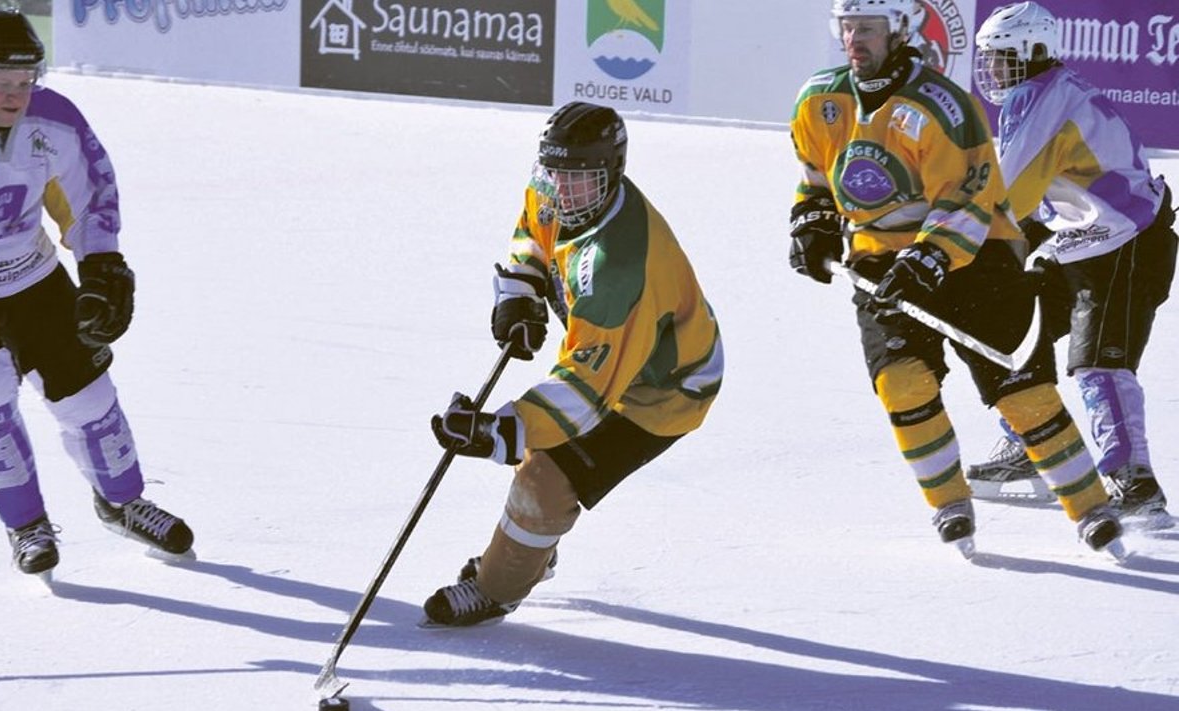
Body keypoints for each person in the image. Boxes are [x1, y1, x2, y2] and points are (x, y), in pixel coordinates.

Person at [788, 0, 1123, 557]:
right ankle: (949, 503)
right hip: (880, 263)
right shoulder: (819, 100)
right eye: (847, 28)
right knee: (902, 383)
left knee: (1023, 393)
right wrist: (813, 222)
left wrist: (928, 258)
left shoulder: (943, 104)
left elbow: (969, 197)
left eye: (867, 29)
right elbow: (816, 177)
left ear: (899, 30)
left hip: (977, 257)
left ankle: (1091, 509)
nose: (854, 40)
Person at [423, 101, 723, 626]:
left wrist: (495, 432)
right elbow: (533, 234)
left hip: (664, 390)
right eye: (556, 175)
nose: (565, 193)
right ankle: (533, 551)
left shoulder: (621, 265)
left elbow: (586, 392)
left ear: (612, 174)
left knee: (543, 477)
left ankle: (496, 589)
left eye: (580, 181)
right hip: (614, 353)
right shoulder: (554, 186)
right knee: (537, 448)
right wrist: (520, 292)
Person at [0, 9, 193, 577]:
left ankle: (123, 503)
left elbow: (90, 195)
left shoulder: (54, 120)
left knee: (90, 401)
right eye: (2, 79)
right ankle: (26, 525)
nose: (17, 93)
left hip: (33, 279)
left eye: (27, 80)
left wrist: (101, 266)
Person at [967, 1, 1175, 529]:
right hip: (1083, 240)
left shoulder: (1043, 103)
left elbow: (1004, 197)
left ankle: (1133, 482)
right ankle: (1032, 444)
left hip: (1128, 244)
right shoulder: (1040, 92)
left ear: (1034, 54)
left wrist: (950, 245)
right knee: (1021, 336)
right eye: (988, 59)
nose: (992, 71)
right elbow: (1040, 193)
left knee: (1099, 363)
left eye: (1002, 59)